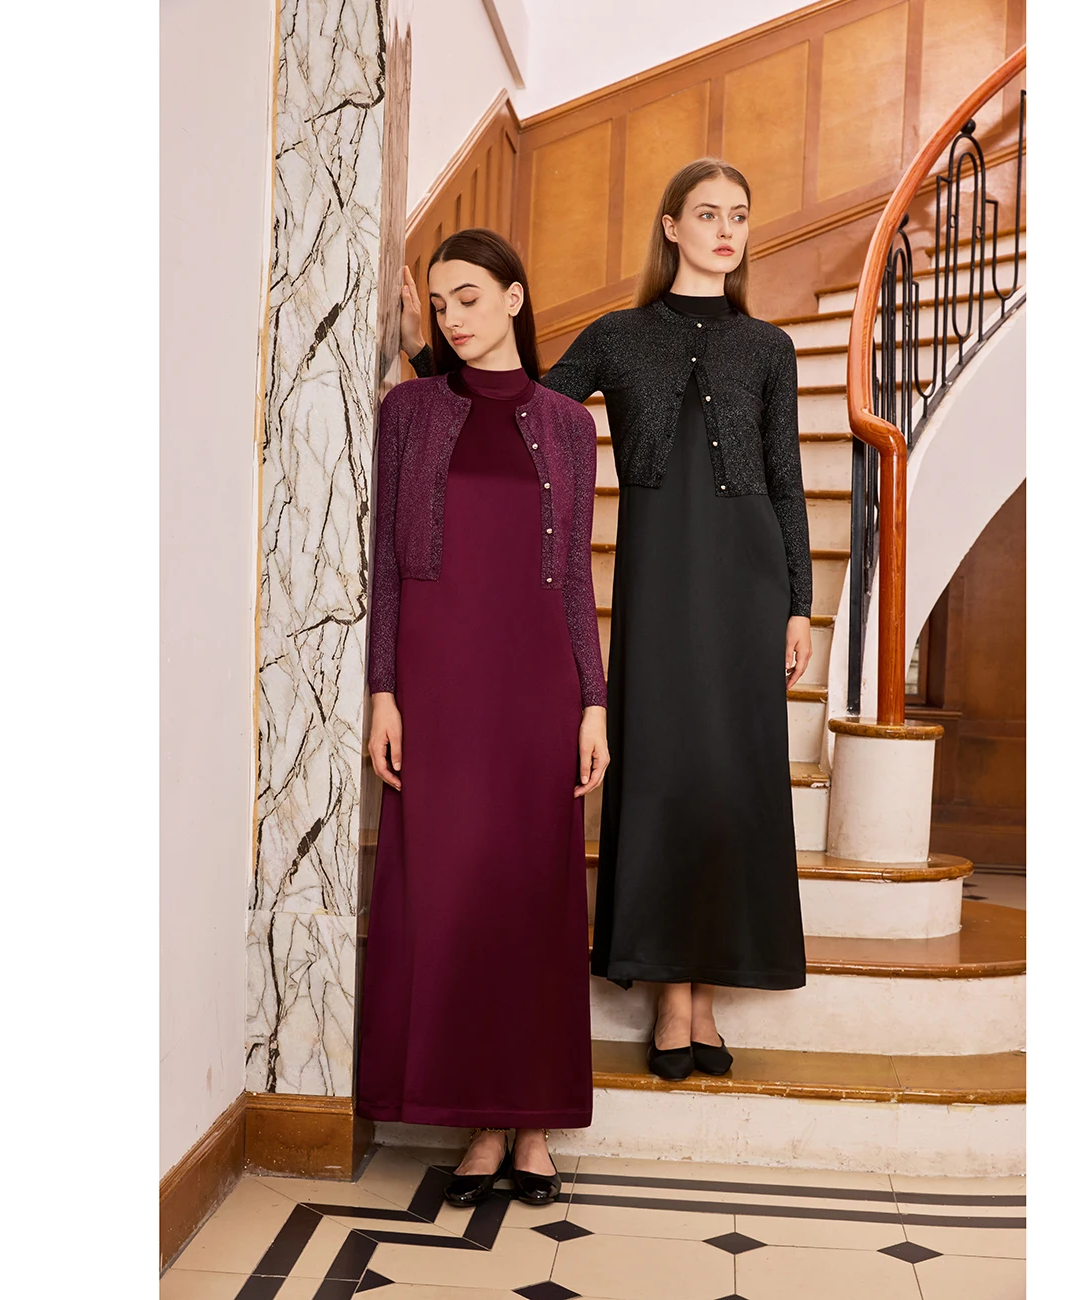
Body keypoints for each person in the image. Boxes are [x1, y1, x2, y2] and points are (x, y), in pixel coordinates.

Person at [402, 159, 811, 1082]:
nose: (725, 230)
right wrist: (425, 352)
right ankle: (669, 995)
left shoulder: (770, 348)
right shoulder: (620, 336)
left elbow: (786, 478)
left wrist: (799, 601)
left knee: (732, 780)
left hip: (747, 581)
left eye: (739, 216)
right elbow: (520, 402)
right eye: (707, 214)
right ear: (670, 226)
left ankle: (704, 997)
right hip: (661, 580)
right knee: (662, 767)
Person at [357, 228, 608, 1206]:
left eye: (469, 297)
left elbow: (575, 576)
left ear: (513, 297)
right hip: (440, 684)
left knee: (532, 895)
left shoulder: (569, 425)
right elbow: (387, 563)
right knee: (452, 893)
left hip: (535, 685)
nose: (452, 318)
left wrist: (593, 701)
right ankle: (478, 1122)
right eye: (438, 304)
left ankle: (532, 1125)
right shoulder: (408, 412)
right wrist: (384, 688)